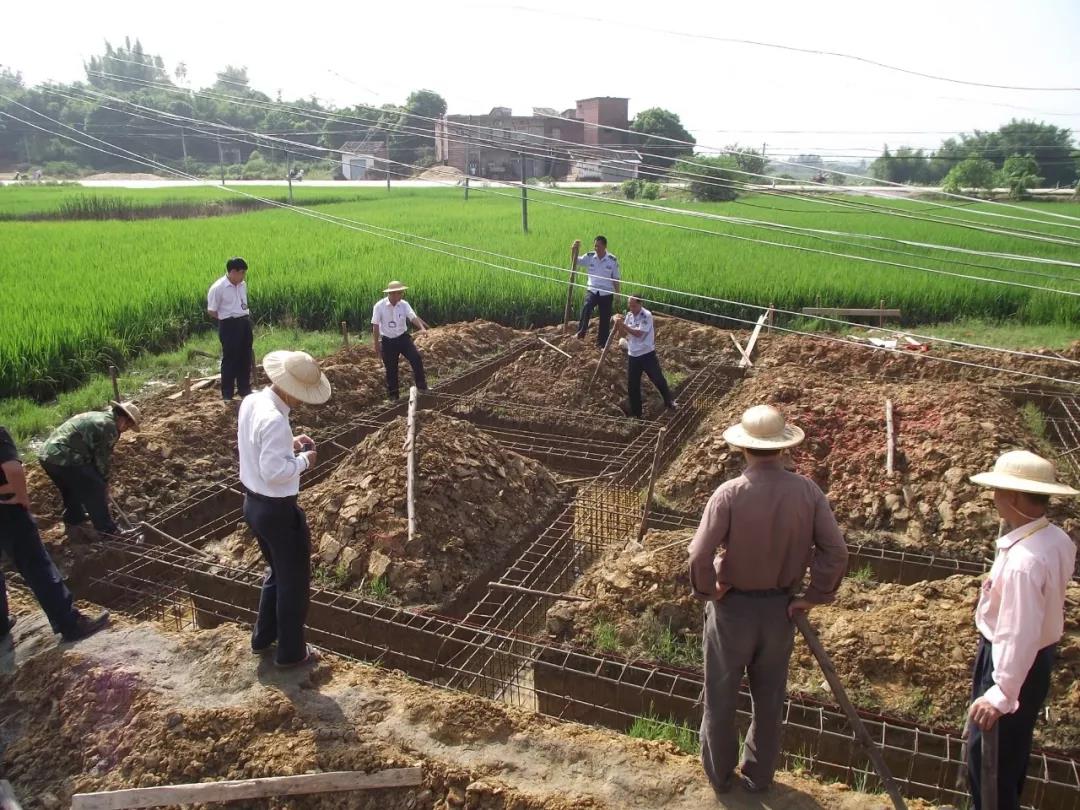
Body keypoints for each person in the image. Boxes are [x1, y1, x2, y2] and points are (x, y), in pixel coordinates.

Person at [687, 405, 848, 795]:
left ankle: (721, 778)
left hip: (732, 611)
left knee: (721, 696)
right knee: (770, 698)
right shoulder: (807, 491)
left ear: (743, 448)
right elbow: (836, 552)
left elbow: (698, 555)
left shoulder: (729, 494)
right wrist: (814, 595)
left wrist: (710, 590)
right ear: (782, 449)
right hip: (780, 610)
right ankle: (759, 776)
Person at [966, 450, 1078, 810]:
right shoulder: (1056, 538)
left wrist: (1001, 693)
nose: (995, 497)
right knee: (1010, 757)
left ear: (1012, 496)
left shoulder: (1023, 561)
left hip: (1011, 664)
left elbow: (1018, 630)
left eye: (999, 490)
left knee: (989, 764)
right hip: (1037, 659)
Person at [238, 350, 331, 668]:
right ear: (289, 388)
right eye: (301, 396)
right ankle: (292, 653)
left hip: (252, 504)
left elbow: (259, 444)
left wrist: (288, 443)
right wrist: (304, 460)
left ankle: (263, 637)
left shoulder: (252, 401)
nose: (302, 402)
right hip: (277, 511)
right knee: (294, 582)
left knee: (276, 573)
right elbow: (275, 472)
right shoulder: (276, 421)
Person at [0, 425, 110, 646]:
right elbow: (12, 469)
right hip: (6, 507)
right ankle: (70, 623)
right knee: (36, 564)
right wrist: (21, 496)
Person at [38, 402, 142, 543]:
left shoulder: (99, 416)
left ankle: (74, 517)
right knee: (95, 487)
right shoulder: (110, 427)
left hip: (47, 455)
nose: (126, 430)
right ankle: (108, 531)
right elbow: (102, 459)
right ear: (125, 419)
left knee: (71, 486)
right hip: (66, 456)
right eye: (128, 426)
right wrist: (104, 483)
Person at [613, 297, 675, 419]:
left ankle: (669, 401)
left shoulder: (647, 315)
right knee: (633, 385)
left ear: (640, 304)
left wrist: (623, 325)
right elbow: (622, 334)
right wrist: (617, 323)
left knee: (658, 379)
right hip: (633, 355)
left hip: (647, 354)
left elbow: (638, 334)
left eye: (634, 306)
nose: (631, 308)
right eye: (630, 306)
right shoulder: (630, 315)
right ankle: (637, 413)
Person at [371, 280, 429, 401]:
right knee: (391, 369)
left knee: (416, 358)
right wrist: (376, 345)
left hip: (403, 339)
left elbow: (412, 317)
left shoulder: (404, 304)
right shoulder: (379, 306)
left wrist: (422, 328)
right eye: (399, 293)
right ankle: (393, 396)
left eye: (401, 293)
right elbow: (375, 326)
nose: (401, 295)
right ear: (392, 294)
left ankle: (422, 387)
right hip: (388, 342)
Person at [207, 257, 253, 403]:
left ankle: (244, 389)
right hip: (229, 325)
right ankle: (227, 393)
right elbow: (212, 310)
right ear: (233, 272)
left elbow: (243, 304)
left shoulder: (242, 285)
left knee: (245, 356)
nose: (243, 276)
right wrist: (226, 319)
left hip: (244, 323)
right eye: (241, 273)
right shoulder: (218, 287)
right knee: (230, 359)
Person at [572, 236, 621, 348]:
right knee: (587, 306)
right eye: (595, 246)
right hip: (592, 290)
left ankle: (601, 343)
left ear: (604, 246)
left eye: (598, 246)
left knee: (605, 317)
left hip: (606, 293)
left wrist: (618, 294)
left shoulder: (612, 260)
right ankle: (581, 333)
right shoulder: (590, 256)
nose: (596, 248)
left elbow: (615, 278)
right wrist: (574, 250)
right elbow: (575, 261)